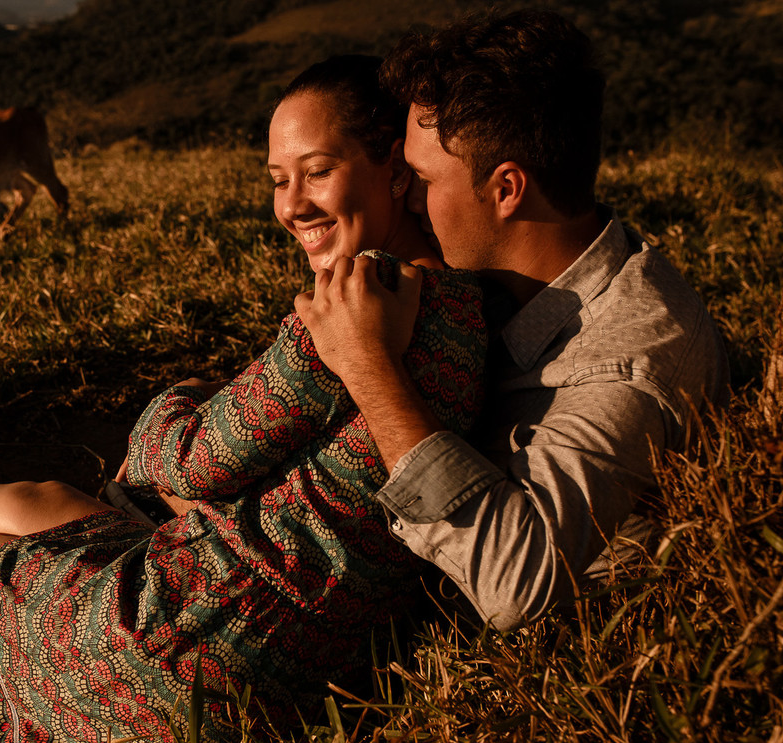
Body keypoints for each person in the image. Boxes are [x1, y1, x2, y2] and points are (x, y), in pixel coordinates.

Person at [0, 56, 487, 743]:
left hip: (189, 655)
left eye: (317, 171)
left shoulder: (352, 308)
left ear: (394, 163)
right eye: (278, 180)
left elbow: (192, 457)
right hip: (293, 641)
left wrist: (176, 399)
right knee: (37, 502)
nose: (291, 204)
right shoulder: (464, 304)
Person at [294, 10, 730, 634]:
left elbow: (516, 582)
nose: (403, 196)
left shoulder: (632, 358)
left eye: (419, 178)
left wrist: (368, 366)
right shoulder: (499, 281)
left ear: (506, 190)